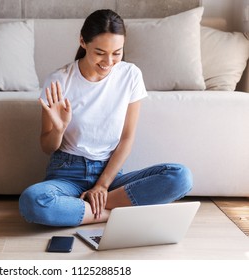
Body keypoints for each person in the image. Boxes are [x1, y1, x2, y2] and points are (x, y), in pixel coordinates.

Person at [19, 9, 193, 227]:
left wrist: (101, 186)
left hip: (110, 175)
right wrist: (60, 129)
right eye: (100, 52)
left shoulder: (130, 75)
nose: (109, 62)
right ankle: (111, 213)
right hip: (66, 175)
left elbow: (127, 139)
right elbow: (47, 147)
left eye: (117, 53)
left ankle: (85, 208)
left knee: (180, 177)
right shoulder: (59, 80)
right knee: (32, 201)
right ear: (83, 41)